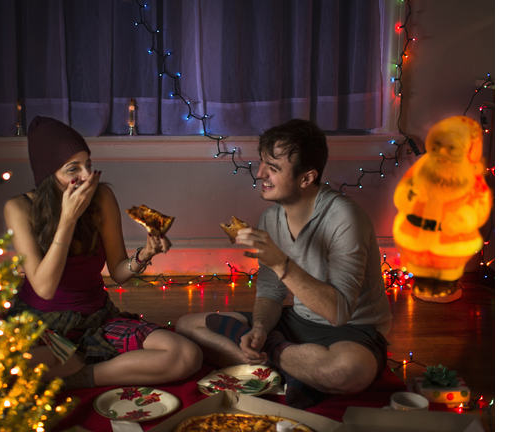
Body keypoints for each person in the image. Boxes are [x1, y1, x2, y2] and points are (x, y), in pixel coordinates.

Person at [175, 118, 392, 408]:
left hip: (352, 331)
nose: (261, 173)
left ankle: (275, 357)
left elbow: (339, 312)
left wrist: (281, 263)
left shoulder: (344, 218)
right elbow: (270, 292)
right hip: (298, 322)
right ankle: (291, 363)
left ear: (306, 178)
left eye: (273, 168)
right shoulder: (271, 219)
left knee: (346, 372)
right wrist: (261, 329)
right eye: (262, 163)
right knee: (187, 326)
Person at [3, 116, 202, 389]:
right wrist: (67, 220)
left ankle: (80, 375)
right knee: (4, 371)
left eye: (89, 165)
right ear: (50, 175)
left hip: (97, 319)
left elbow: (119, 272)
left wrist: (144, 254)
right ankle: (80, 361)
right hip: (41, 325)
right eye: (73, 169)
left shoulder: (102, 198)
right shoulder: (18, 208)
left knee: (187, 355)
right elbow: (44, 288)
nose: (86, 176)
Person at [392, 116, 492, 303]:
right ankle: (422, 285)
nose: (442, 152)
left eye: (451, 148)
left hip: (451, 238)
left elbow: (480, 202)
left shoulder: (471, 177)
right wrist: (410, 196)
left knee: (448, 270)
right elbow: (405, 188)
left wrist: (464, 218)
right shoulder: (423, 167)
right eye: (438, 145)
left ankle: (447, 287)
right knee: (421, 267)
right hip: (417, 232)